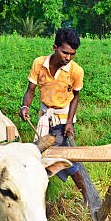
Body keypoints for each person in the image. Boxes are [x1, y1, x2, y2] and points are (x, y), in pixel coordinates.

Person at [19, 27, 88, 205]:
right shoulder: (39, 64)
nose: (68, 57)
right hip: (44, 116)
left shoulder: (75, 71)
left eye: (73, 54)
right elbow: (31, 90)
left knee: (62, 156)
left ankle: (87, 195)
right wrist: (25, 106)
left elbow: (75, 97)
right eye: (65, 52)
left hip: (62, 118)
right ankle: (40, 194)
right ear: (54, 47)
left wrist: (70, 123)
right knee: (46, 155)